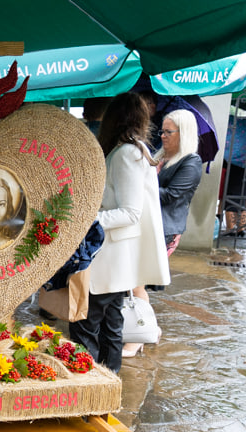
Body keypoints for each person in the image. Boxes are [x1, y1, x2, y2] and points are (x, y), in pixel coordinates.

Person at [68, 93, 170, 372]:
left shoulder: (127, 153)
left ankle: (90, 388)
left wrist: (86, 219)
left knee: (86, 325)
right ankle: (106, 386)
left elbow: (130, 213)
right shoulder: (132, 149)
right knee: (110, 326)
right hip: (115, 258)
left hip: (111, 257)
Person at [155, 109, 203, 256]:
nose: (163, 136)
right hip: (148, 221)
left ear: (184, 133)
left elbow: (171, 195)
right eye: (162, 131)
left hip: (164, 228)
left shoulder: (191, 162)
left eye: (168, 132)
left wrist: (140, 186)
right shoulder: (158, 156)